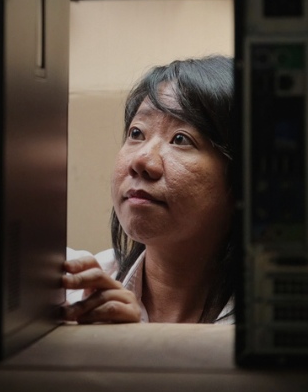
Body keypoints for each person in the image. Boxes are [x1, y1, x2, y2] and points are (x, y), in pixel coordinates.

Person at [61, 55, 238, 324]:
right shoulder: (71, 290)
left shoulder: (278, 324)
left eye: (181, 139)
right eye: (136, 133)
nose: (141, 161)